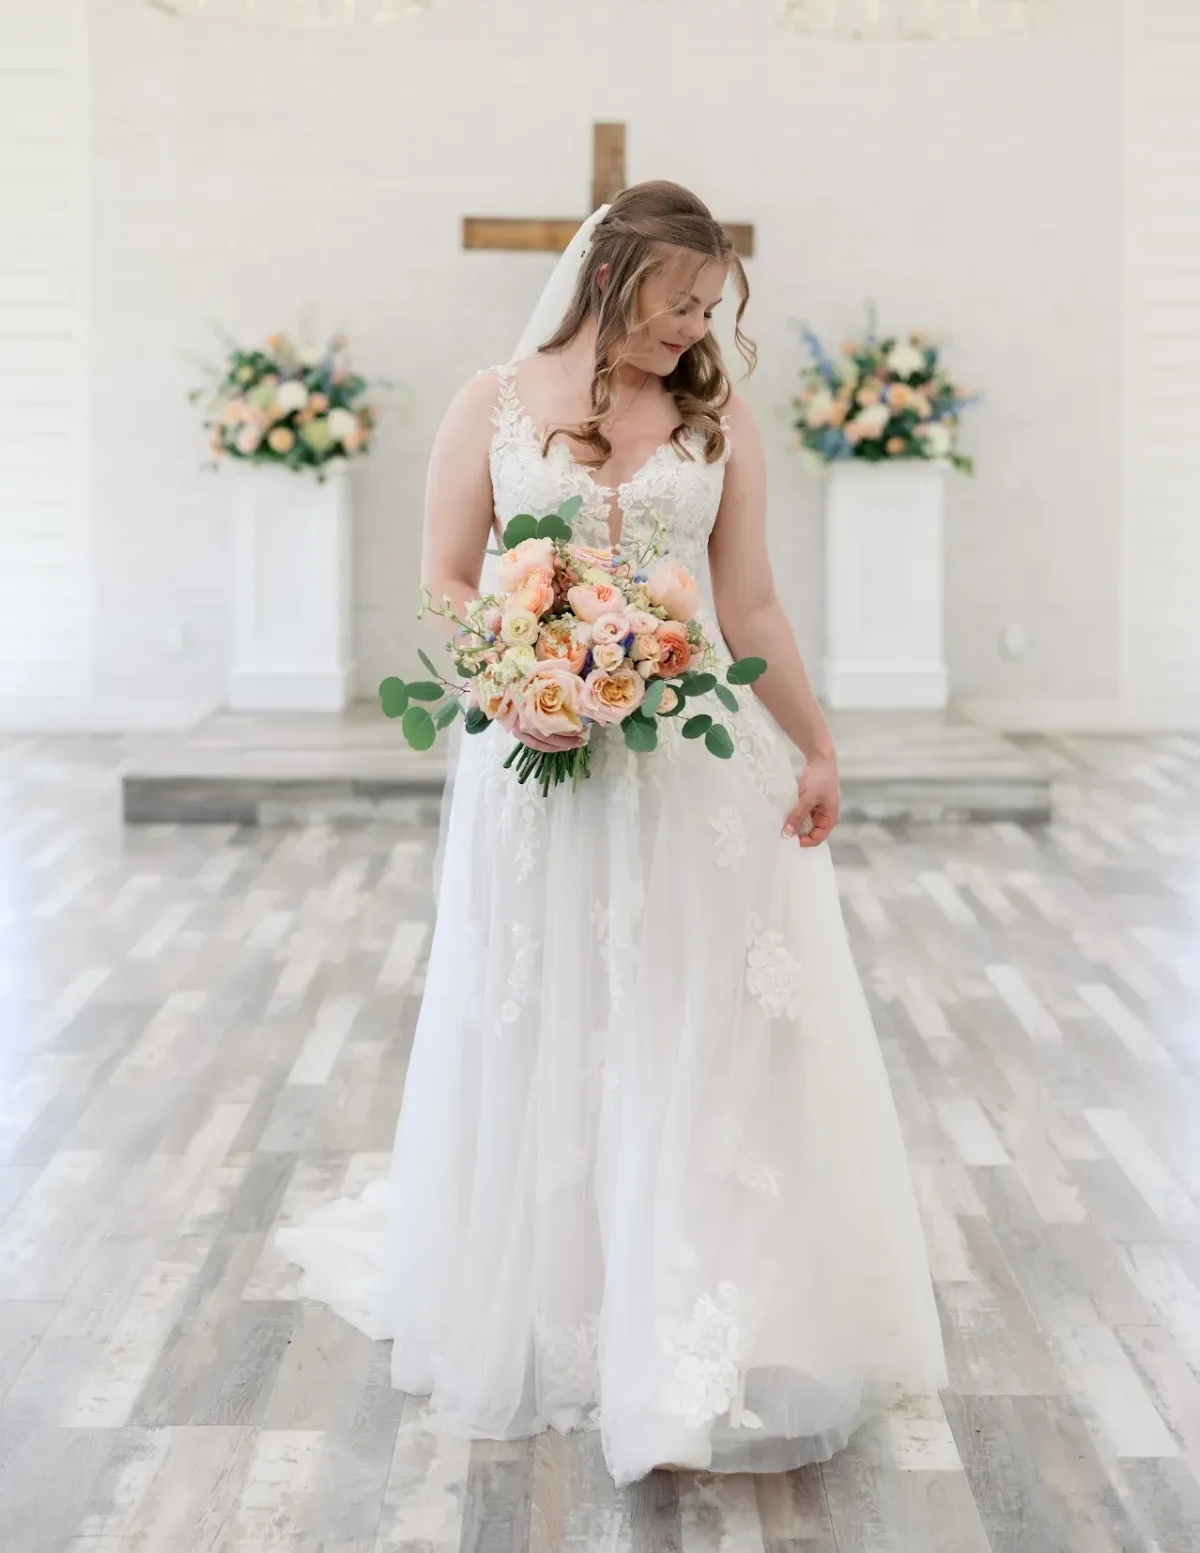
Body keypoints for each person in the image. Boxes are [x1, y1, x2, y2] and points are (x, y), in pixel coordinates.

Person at [277, 181, 946, 1486]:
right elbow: (446, 579)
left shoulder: (715, 418)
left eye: (711, 304)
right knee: (551, 1019)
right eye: (677, 299)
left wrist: (816, 741)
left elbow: (746, 605)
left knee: (700, 1028)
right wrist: (521, 678)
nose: (695, 325)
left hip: (694, 770)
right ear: (611, 276)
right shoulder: (496, 401)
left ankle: (700, 1308)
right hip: (540, 764)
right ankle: (552, 1290)